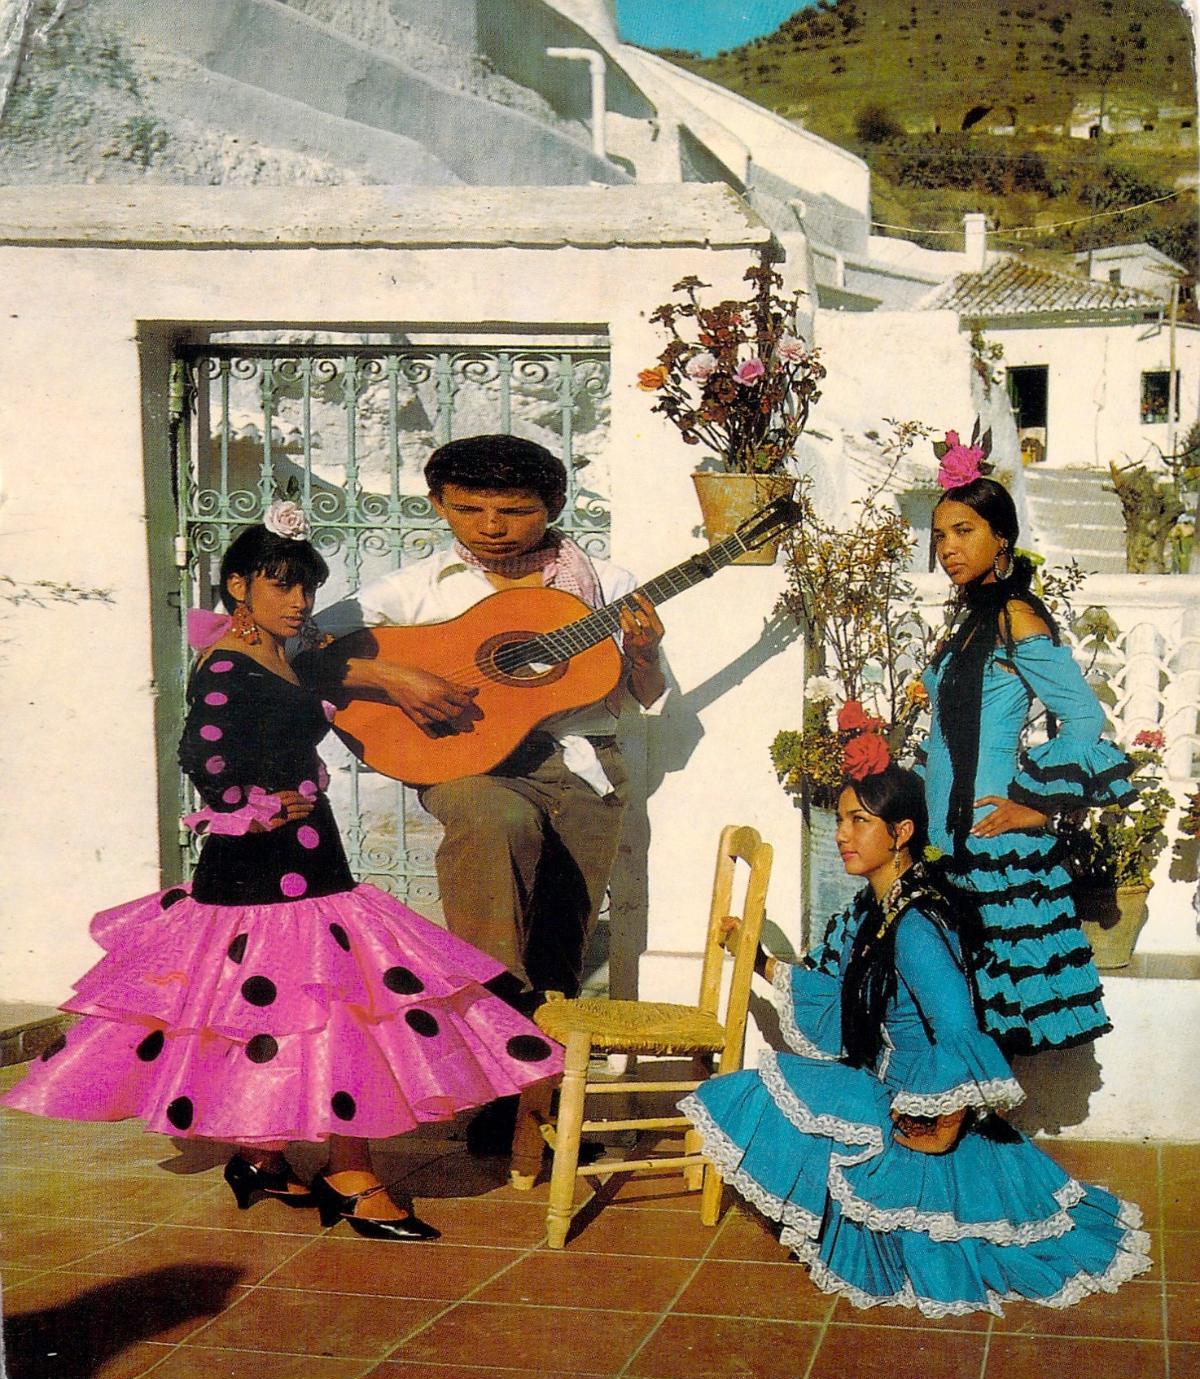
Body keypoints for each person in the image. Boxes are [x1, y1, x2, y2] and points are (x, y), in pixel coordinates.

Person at [1, 505, 564, 1240]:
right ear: (238, 585)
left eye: (306, 586)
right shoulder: (229, 662)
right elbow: (200, 751)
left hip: (309, 852)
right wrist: (245, 807)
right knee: (329, 1003)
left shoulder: (279, 650)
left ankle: (261, 1158)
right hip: (263, 864)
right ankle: (351, 1173)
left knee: (281, 1007)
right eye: (280, 585)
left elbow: (321, 677)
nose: (298, 600)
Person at [679, 762, 1151, 1317]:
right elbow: (850, 1001)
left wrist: (944, 1123)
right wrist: (760, 960)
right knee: (775, 1093)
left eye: (858, 821)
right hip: (892, 1083)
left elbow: (957, 1027)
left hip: (920, 1102)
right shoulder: (883, 907)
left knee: (764, 1093)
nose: (841, 834)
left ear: (900, 833)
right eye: (839, 820)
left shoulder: (916, 924)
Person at [306, 434, 665, 1152]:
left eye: (512, 510)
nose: (489, 527)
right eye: (466, 509)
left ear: (555, 506)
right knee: (493, 824)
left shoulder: (606, 580)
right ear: (438, 505)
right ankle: (494, 1070)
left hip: (584, 765)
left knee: (562, 937)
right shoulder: (417, 586)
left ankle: (530, 1103)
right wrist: (393, 677)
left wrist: (645, 652)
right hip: (469, 766)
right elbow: (303, 645)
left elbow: (645, 696)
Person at [921, 433, 1135, 1055]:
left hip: (991, 841)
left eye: (963, 532)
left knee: (986, 1013)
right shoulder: (971, 620)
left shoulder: (1017, 616)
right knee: (948, 1010)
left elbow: (1086, 721)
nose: (948, 548)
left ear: (1001, 539)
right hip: (943, 836)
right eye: (939, 536)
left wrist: (1037, 808)